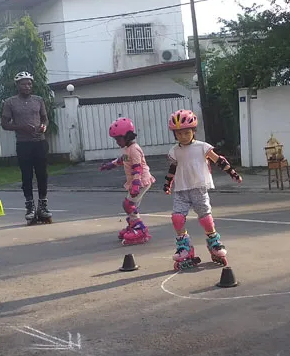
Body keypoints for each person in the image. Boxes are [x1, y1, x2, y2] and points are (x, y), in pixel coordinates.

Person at [163, 109, 243, 270]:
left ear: (193, 131)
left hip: (198, 188)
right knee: (177, 219)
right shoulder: (174, 151)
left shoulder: (202, 147)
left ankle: (214, 243)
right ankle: (185, 247)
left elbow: (218, 160)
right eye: (179, 134)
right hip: (181, 189)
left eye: (186, 132)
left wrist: (232, 173)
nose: (183, 136)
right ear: (174, 135)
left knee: (206, 218)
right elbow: (173, 168)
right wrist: (168, 183)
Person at [0, 72, 53, 222]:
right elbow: (4, 124)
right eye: (23, 84)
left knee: (42, 174)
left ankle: (43, 205)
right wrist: (21, 127)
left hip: (40, 142)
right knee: (27, 176)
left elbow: (45, 119)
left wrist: (43, 126)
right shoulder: (10, 102)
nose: (27, 86)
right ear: (17, 85)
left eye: (29, 83)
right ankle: (30, 206)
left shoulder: (38, 100)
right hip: (23, 144)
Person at [98, 117, 156, 245]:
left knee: (128, 205)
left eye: (118, 139)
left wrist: (135, 185)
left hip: (141, 180)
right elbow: (121, 160)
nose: (117, 142)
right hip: (137, 181)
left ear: (127, 136)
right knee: (131, 206)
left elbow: (137, 168)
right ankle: (133, 226)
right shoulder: (128, 149)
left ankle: (139, 229)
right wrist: (109, 165)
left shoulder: (134, 149)